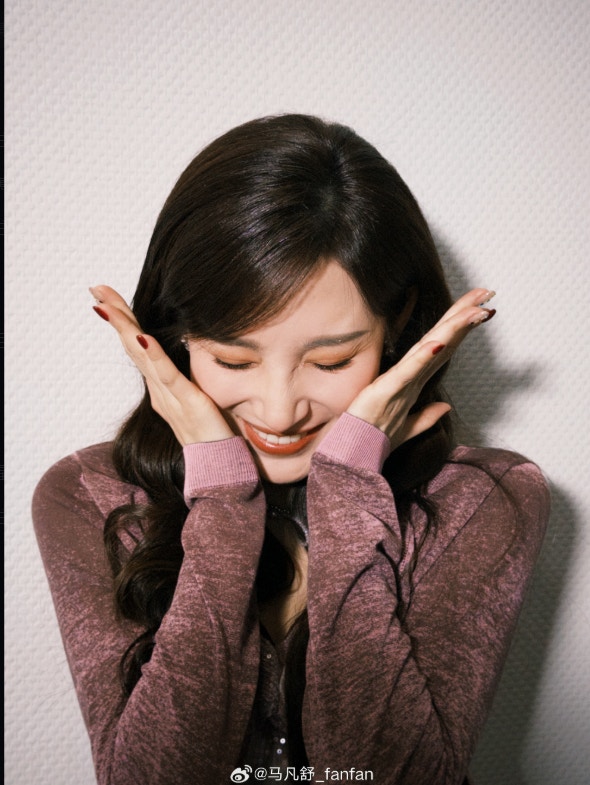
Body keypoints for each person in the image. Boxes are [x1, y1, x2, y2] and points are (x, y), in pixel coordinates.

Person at [32, 114, 550, 785]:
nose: (279, 412)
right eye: (233, 359)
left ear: (397, 325)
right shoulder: (89, 495)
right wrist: (223, 496)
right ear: (175, 335)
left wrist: (349, 486)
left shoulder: (486, 499)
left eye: (331, 361)